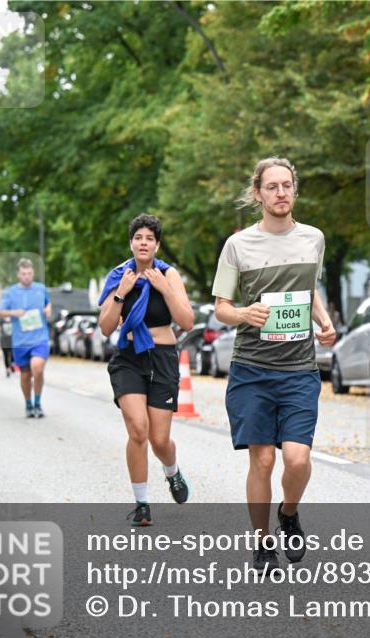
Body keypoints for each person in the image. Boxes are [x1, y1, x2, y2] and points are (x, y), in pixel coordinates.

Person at [213, 157, 336, 572]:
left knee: (298, 459)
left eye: (287, 186)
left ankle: (288, 513)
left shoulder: (313, 239)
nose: (281, 193)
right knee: (262, 459)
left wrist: (324, 320)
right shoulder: (239, 245)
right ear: (258, 193)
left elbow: (308, 289)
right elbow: (221, 310)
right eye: (272, 187)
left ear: (294, 190)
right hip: (252, 369)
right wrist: (245, 314)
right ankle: (262, 542)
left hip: (300, 369)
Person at [98, 214, 194, 527]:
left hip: (162, 357)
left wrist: (165, 289)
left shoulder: (169, 274)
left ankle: (172, 471)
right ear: (131, 242)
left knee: (159, 439)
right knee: (138, 429)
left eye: (149, 238)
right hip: (129, 359)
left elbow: (187, 321)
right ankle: (142, 503)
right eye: (138, 237)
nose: (143, 242)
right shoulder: (118, 276)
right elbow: (105, 327)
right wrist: (121, 293)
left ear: (157, 244)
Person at [0, 259, 51, 418]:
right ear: (18, 275)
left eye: (29, 273)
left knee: (37, 368)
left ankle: (38, 402)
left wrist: (48, 310)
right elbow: (1, 311)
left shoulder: (41, 289)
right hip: (20, 341)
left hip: (40, 338)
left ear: (33, 273)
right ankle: (28, 404)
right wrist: (15, 313)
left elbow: (48, 304)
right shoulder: (10, 292)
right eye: (23, 274)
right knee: (25, 374)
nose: (27, 276)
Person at [0, 305, 15, 377]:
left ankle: (12, 364)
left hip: (12, 339)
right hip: (4, 340)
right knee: (6, 355)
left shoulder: (13, 319)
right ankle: (7, 369)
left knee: (13, 354)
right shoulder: (1, 320)